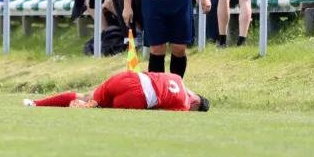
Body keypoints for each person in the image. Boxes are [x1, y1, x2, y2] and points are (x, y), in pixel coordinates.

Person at [22, 70, 210, 112]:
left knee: (87, 95)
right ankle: (85, 107)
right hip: (138, 96)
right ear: (194, 102)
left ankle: (35, 103)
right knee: (101, 108)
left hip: (130, 77)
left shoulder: (177, 77)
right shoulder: (185, 105)